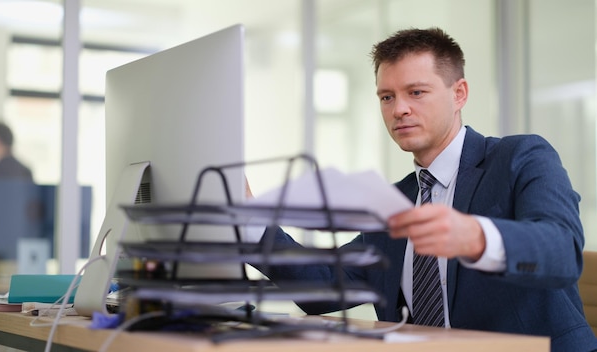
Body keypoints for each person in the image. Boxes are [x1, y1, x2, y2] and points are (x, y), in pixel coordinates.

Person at [250, 28, 597, 351]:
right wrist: (251, 221)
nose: (399, 109)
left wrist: (477, 237)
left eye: (416, 92)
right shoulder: (395, 200)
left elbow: (562, 251)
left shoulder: (520, 157)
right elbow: (325, 289)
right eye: (387, 97)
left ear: (458, 93)